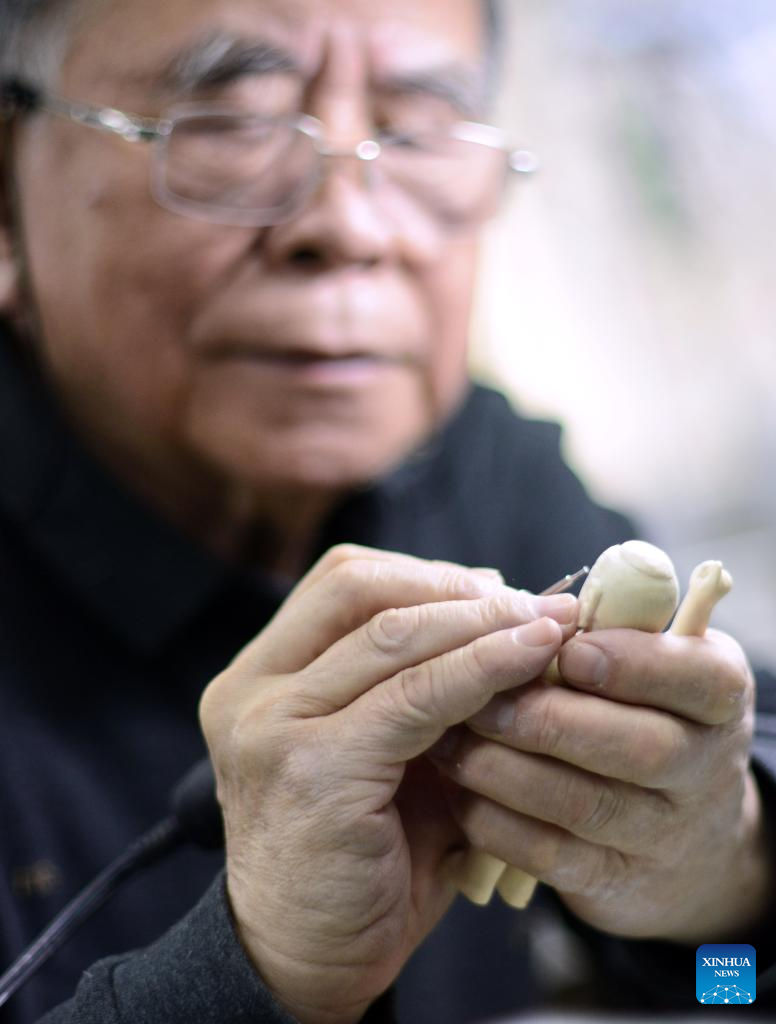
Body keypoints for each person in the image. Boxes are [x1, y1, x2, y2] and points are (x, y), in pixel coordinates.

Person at [0, 0, 774, 1021]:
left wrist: (726, 886)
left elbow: (731, 983)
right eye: (232, 124)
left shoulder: (482, 472)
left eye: (417, 133)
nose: (350, 225)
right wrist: (249, 974)